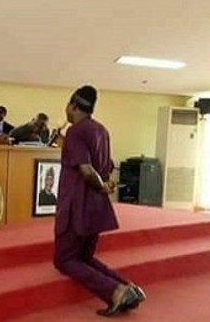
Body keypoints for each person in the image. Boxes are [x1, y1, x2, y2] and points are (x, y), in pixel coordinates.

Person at [53, 85, 145, 316]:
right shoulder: (100, 130)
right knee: (84, 257)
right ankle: (129, 288)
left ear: (73, 105)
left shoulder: (75, 131)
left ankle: (115, 291)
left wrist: (101, 186)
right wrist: (105, 186)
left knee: (64, 259)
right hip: (96, 206)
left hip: (77, 206)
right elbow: (106, 165)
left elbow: (85, 169)